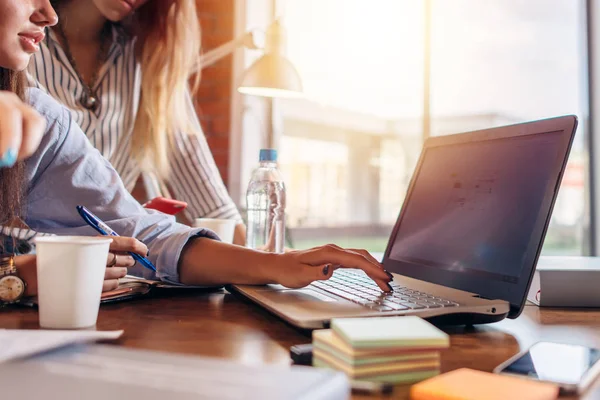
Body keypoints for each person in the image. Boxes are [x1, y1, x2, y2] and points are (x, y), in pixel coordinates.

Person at [0, 0, 393, 297]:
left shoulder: (45, 113)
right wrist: (15, 274)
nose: (47, 14)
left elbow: (141, 231)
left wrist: (277, 263)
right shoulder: (29, 75)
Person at [28, 0, 247, 244]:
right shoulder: (19, 40)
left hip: (105, 267)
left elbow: (212, 206)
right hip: (18, 266)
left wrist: (268, 263)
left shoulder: (151, 55)